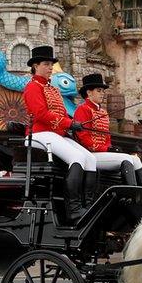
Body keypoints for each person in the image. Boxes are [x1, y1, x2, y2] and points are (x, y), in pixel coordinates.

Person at [22, 45, 97, 222]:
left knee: (90, 159)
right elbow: (40, 114)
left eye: (51, 64)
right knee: (77, 158)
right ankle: (74, 209)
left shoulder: (53, 90)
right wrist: (69, 123)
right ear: (36, 66)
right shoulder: (32, 87)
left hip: (56, 134)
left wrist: (71, 126)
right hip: (39, 134)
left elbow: (61, 114)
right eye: (47, 64)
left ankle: (88, 205)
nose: (50, 68)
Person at [72, 73, 142, 187]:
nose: (102, 94)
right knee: (126, 159)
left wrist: (110, 148)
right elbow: (84, 138)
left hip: (103, 153)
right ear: (89, 92)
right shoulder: (82, 109)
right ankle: (132, 193)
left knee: (136, 160)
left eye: (103, 91)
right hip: (91, 155)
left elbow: (107, 137)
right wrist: (107, 148)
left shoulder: (103, 112)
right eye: (99, 90)